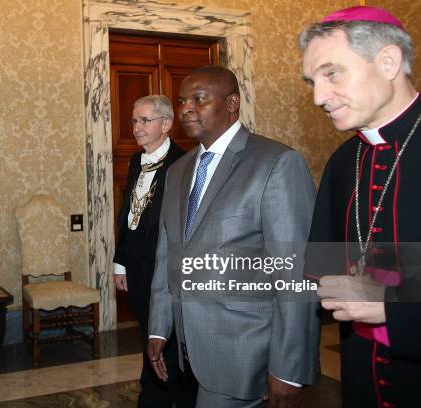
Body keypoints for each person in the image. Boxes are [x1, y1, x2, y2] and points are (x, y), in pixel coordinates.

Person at [147, 65, 320, 408]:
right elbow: (168, 255)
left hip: (248, 350)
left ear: (231, 104)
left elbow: (297, 273)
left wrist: (289, 368)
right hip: (191, 348)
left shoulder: (276, 163)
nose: (186, 109)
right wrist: (158, 327)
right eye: (182, 101)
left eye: (199, 98)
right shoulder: (178, 172)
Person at [300, 6, 421, 407]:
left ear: (388, 61)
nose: (318, 97)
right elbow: (324, 269)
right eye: (312, 81)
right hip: (361, 376)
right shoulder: (342, 161)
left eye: (332, 73)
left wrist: (394, 307)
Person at [113, 95, 196, 407]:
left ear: (166, 124)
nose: (136, 127)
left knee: (169, 340)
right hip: (136, 265)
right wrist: (120, 262)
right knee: (149, 333)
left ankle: (167, 396)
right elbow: (128, 215)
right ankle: (155, 392)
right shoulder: (136, 160)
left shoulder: (184, 163)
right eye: (134, 121)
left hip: (166, 268)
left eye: (144, 120)